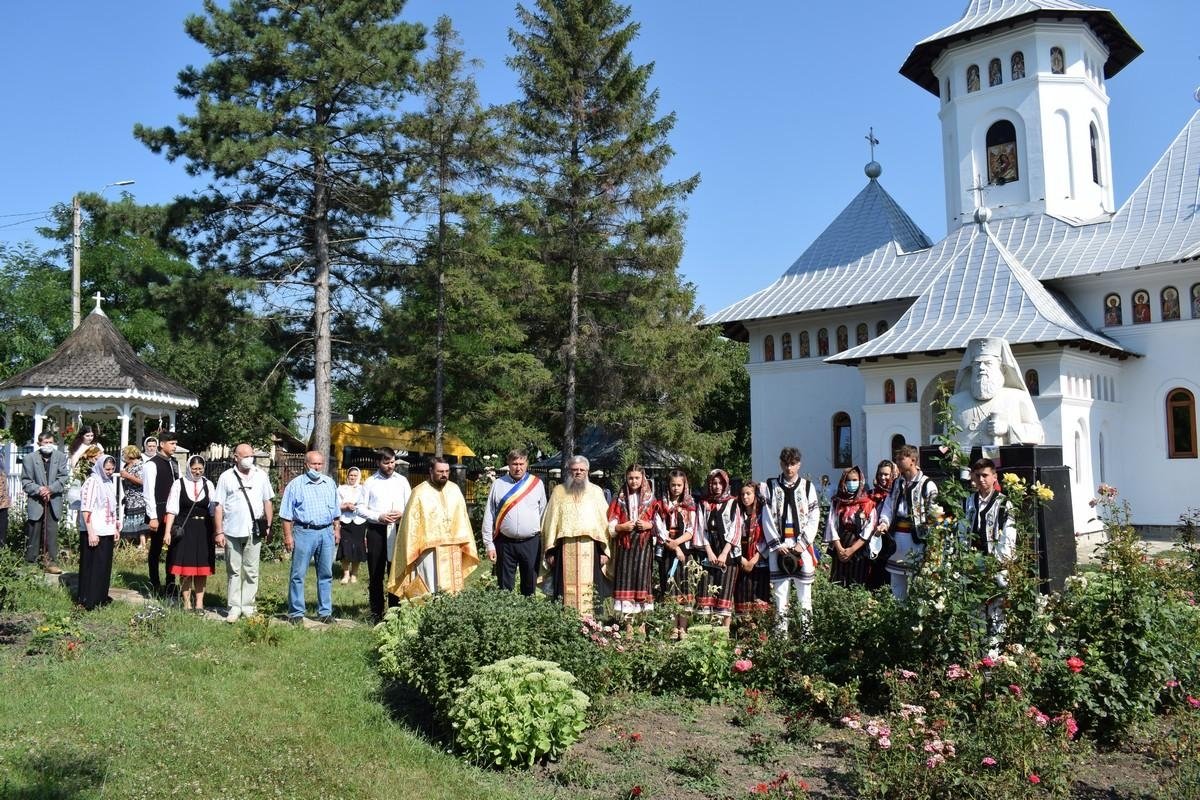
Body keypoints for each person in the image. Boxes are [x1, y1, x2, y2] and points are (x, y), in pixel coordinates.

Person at [388, 458, 478, 598]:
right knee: (430, 588)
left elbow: (463, 518)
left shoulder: (454, 489)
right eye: (440, 471)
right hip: (428, 550)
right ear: (431, 471)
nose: (444, 475)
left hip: (453, 548)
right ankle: (428, 616)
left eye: (447, 471)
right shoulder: (419, 492)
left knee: (453, 592)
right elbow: (410, 526)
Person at [541, 455, 611, 616]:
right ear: (569, 471)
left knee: (592, 589)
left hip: (591, 549)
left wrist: (604, 551)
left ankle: (592, 626)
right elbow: (550, 523)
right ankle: (565, 626)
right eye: (574, 470)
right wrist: (550, 552)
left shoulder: (596, 492)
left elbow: (604, 523)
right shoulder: (558, 492)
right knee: (563, 590)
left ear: (588, 472)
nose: (578, 472)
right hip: (563, 550)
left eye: (582, 470)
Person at [760, 448, 821, 632]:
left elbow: (814, 516)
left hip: (801, 546)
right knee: (780, 594)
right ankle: (781, 639)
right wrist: (777, 544)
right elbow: (766, 516)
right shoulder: (771, 486)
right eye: (786, 464)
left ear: (799, 464)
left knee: (804, 595)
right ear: (781, 464)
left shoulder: (808, 487)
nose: (789, 468)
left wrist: (802, 544)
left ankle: (806, 636)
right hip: (779, 546)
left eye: (792, 464)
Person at [212, 443, 275, 622]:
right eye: (245, 455)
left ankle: (248, 606)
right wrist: (219, 531)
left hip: (253, 530)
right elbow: (219, 506)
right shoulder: (226, 477)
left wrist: (268, 526)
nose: (249, 458)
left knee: (251, 570)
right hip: (232, 529)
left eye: (251, 455)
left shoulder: (261, 475)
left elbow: (268, 502)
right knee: (234, 569)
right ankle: (234, 607)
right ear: (236, 457)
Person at [948, 337, 1044, 449]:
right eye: (977, 364)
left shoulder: (1017, 397)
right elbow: (947, 440)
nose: (981, 368)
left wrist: (1008, 429)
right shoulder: (956, 401)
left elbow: (1038, 434)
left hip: (1007, 463)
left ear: (1000, 368)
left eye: (987, 363)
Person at [280, 451, 341, 624]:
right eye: (314, 464)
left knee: (326, 573)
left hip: (326, 532)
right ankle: (296, 612)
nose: (317, 467)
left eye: (320, 464)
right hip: (304, 532)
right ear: (306, 464)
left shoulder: (329, 483)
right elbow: (286, 514)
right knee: (298, 574)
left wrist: (336, 529)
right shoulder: (295, 485)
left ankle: (325, 612)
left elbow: (336, 511)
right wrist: (288, 536)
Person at [964, 458, 1018, 646]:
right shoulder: (969, 501)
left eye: (985, 475)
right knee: (975, 605)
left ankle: (995, 649)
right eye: (977, 476)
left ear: (994, 477)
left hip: (996, 563)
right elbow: (963, 531)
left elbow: (1009, 536)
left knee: (997, 607)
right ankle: (976, 648)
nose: (981, 480)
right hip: (974, 561)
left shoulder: (1004, 503)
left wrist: (997, 562)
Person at [876, 445, 939, 601]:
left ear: (913, 460)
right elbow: (889, 506)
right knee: (897, 584)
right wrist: (884, 522)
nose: (897, 462)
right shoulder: (897, 483)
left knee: (920, 583)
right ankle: (899, 617)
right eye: (896, 459)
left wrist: (932, 541)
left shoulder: (927, 485)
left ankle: (919, 620)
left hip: (918, 541)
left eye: (900, 458)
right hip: (897, 539)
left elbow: (935, 514)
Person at [481, 448, 546, 596]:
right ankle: (505, 617)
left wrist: (544, 543)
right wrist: (489, 544)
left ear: (527, 463)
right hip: (505, 542)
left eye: (521, 463)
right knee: (504, 586)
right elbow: (489, 515)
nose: (518, 467)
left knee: (529, 586)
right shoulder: (498, 484)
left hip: (530, 542)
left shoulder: (536, 484)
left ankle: (528, 617)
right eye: (514, 463)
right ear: (508, 464)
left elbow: (543, 514)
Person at [357, 448, 411, 622]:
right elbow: (360, 508)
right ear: (378, 463)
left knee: (395, 572)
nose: (390, 466)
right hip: (377, 531)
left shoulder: (402, 481)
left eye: (392, 462)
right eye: (386, 462)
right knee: (376, 573)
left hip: (397, 529)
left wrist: (402, 513)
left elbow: (410, 504)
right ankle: (376, 613)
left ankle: (395, 612)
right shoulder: (370, 482)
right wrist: (378, 516)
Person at [163, 456, 219, 612]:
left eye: (200, 469)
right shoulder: (179, 484)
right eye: (194, 469)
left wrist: (216, 531)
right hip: (185, 529)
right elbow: (172, 509)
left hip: (204, 530)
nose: (197, 472)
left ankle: (200, 604)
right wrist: (167, 531)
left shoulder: (208, 484)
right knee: (185, 568)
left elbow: (214, 510)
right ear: (188, 468)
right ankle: (187, 603)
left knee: (202, 569)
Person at [607, 465, 657, 617]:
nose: (634, 481)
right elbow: (612, 521)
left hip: (643, 544)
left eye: (637, 478)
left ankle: (641, 623)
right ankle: (628, 625)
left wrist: (649, 525)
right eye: (631, 478)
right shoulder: (619, 498)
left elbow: (659, 522)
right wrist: (621, 527)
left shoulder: (651, 499)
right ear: (626, 478)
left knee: (642, 580)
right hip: (625, 545)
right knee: (626, 579)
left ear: (643, 478)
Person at [652, 469, 696, 638]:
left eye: (679, 485)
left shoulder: (690, 505)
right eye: (673, 485)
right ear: (668, 485)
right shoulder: (661, 504)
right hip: (668, 551)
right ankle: (672, 627)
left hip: (685, 550)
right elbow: (660, 529)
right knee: (669, 587)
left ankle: (683, 627)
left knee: (684, 587)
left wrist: (679, 544)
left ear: (684, 485)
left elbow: (691, 529)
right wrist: (675, 547)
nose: (676, 488)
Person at [21, 431, 69, 574]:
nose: (48, 445)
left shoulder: (60, 457)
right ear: (39, 443)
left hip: (53, 500)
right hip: (36, 500)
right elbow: (26, 481)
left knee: (51, 532)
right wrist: (39, 489)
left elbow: (63, 477)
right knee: (34, 531)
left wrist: (50, 489)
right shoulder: (29, 458)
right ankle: (31, 563)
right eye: (45, 443)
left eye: (50, 442)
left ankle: (51, 562)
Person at [694, 468, 738, 625]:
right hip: (709, 551)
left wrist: (724, 553)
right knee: (707, 589)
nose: (717, 486)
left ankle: (724, 634)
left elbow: (735, 529)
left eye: (720, 483)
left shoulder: (733, 503)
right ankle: (708, 630)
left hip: (728, 553)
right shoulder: (704, 503)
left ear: (725, 484)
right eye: (714, 483)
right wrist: (710, 552)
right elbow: (700, 528)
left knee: (725, 591)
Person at [78, 455, 120, 609]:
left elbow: (111, 507)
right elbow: (86, 509)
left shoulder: (108, 482)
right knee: (92, 567)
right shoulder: (92, 482)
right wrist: (91, 532)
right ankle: (89, 599)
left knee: (103, 567)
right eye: (106, 469)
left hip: (106, 530)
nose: (109, 472)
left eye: (112, 469)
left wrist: (114, 527)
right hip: (94, 531)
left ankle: (101, 597)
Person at [824, 466, 877, 588]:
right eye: (848, 480)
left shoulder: (868, 503)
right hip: (840, 545)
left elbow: (869, 529)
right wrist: (840, 549)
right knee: (839, 582)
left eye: (855, 480)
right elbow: (832, 524)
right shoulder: (837, 502)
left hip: (859, 548)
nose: (852, 483)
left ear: (860, 481)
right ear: (843, 481)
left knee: (857, 582)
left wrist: (852, 550)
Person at [143, 431, 181, 595]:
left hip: (172, 511)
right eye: (172, 443)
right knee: (156, 548)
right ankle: (154, 582)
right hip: (158, 511)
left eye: (175, 443)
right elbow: (148, 491)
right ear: (162, 444)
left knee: (173, 547)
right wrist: (153, 516)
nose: (174, 446)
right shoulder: (152, 464)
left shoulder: (174, 463)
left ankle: (171, 583)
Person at [732, 481, 772, 618]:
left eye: (748, 493)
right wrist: (742, 560)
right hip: (741, 562)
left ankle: (760, 634)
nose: (745, 497)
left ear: (755, 495)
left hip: (759, 562)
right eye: (742, 494)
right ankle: (745, 633)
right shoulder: (737, 515)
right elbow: (732, 537)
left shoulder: (763, 515)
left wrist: (754, 559)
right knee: (743, 595)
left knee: (759, 595)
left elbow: (767, 538)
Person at [865, 459, 897, 591]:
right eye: (880, 474)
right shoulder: (870, 494)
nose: (883, 477)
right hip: (873, 538)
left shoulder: (896, 494)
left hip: (891, 539)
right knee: (874, 576)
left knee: (891, 575)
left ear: (893, 475)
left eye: (886, 474)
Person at [336, 467, 367, 585]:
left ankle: (354, 574)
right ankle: (346, 574)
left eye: (355, 475)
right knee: (345, 547)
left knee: (358, 548)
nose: (353, 477)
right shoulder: (341, 489)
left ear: (358, 476)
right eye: (351, 475)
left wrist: (356, 507)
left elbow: (366, 504)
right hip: (345, 521)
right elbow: (336, 505)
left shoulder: (363, 489)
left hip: (359, 522)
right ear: (347, 476)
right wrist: (345, 506)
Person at [118, 445, 148, 549]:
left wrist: (128, 476)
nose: (123, 456)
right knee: (128, 522)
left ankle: (143, 545)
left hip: (138, 500)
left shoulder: (140, 466)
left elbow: (142, 482)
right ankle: (127, 547)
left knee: (140, 523)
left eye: (124, 454)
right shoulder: (126, 466)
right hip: (129, 499)